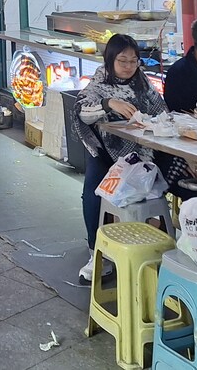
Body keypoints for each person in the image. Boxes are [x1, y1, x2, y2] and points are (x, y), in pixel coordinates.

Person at [72, 34, 167, 283]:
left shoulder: (142, 83)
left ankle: (153, 248)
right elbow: (82, 111)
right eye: (122, 60)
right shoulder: (99, 81)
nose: (128, 66)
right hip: (105, 148)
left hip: (140, 151)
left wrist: (155, 123)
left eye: (133, 61)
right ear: (110, 60)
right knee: (93, 192)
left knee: (161, 183)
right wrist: (109, 103)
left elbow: (161, 110)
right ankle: (96, 252)